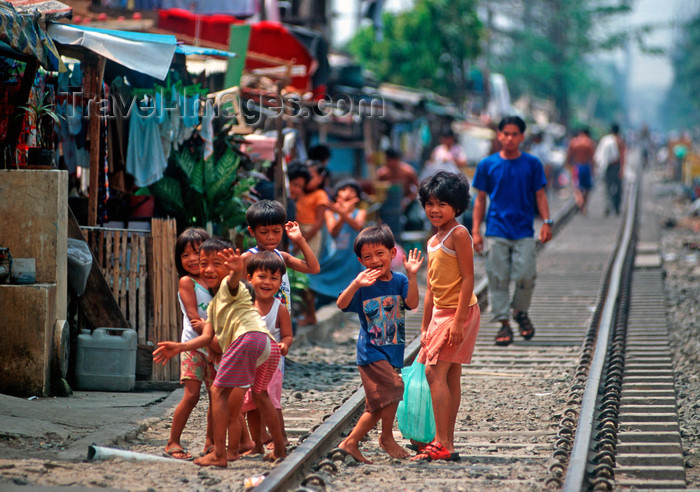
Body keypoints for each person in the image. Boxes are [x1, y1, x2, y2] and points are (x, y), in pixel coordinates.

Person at [153, 238, 286, 467]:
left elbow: (234, 282)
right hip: (267, 344)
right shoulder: (215, 304)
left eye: (217, 263)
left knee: (218, 394)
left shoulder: (230, 286)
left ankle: (220, 454)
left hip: (246, 341)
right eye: (204, 264)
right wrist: (180, 347)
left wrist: (235, 271)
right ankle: (280, 450)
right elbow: (206, 338)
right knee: (260, 396)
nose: (208, 269)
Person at [336, 225, 424, 464]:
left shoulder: (399, 281)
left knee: (376, 406)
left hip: (392, 352)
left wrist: (413, 275)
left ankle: (350, 443)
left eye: (380, 254)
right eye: (367, 257)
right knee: (395, 388)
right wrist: (356, 284)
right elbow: (341, 304)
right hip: (371, 352)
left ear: (392, 253)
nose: (374, 260)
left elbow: (412, 302)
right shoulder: (363, 285)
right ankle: (386, 437)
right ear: (360, 260)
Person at [410, 170, 480, 462]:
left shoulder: (459, 234)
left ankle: (441, 441)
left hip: (459, 313)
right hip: (440, 314)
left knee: (433, 372)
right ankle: (446, 442)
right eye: (430, 204)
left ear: (458, 207)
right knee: (449, 376)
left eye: (442, 204)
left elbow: (468, 279)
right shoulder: (434, 238)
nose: (435, 210)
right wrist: (424, 327)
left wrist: (457, 321)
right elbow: (430, 288)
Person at [471, 115, 553, 346]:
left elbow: (540, 194)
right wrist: (476, 230)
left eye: (514, 134)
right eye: (505, 133)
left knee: (527, 274)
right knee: (497, 278)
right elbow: (480, 200)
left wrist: (547, 222)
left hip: (524, 230)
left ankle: (520, 311)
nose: (509, 138)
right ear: (499, 135)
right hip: (496, 228)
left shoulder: (532, 164)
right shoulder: (487, 165)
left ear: (522, 137)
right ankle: (504, 323)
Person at [164, 227, 213, 460]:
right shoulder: (187, 282)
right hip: (194, 347)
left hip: (217, 349)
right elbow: (194, 319)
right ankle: (172, 441)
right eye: (185, 255)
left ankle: (210, 443)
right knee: (191, 395)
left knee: (216, 396)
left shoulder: (217, 280)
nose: (192, 259)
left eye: (197, 252)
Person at [240, 252, 293, 454]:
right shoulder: (244, 305)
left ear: (280, 282)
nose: (267, 282)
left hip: (271, 366)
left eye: (274, 278)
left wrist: (284, 345)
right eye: (262, 276)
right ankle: (257, 444)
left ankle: (278, 440)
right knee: (251, 408)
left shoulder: (279, 309)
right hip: (248, 366)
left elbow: (288, 335)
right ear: (249, 278)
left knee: (269, 403)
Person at [240, 199, 321, 316]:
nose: (271, 237)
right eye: (264, 232)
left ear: (283, 229)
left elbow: (314, 268)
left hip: (282, 323)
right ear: (252, 231)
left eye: (276, 231)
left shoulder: (282, 257)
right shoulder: (248, 258)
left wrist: (300, 240)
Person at [308, 179, 367, 307]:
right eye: (344, 189)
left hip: (350, 258)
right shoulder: (330, 213)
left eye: (352, 191)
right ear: (337, 194)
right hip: (333, 255)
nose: (348, 193)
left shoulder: (360, 212)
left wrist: (342, 212)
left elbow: (357, 225)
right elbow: (333, 231)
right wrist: (343, 213)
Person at [287, 162, 328, 326]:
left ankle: (310, 314)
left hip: (309, 235)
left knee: (306, 275)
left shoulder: (320, 195)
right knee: (300, 275)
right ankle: (306, 312)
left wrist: (299, 242)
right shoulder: (300, 195)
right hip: (299, 232)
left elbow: (318, 223)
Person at [594, 123, 626, 216]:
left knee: (608, 187)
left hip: (608, 167)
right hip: (616, 167)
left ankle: (608, 205)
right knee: (618, 188)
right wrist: (622, 169)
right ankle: (616, 207)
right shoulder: (619, 141)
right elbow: (622, 156)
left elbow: (599, 155)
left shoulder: (606, 140)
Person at [376, 148, 420, 213]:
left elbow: (418, 188)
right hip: (388, 202)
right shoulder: (382, 173)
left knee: (414, 221)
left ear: (396, 160)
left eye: (389, 161)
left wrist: (407, 200)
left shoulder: (408, 171)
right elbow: (376, 189)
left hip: (407, 201)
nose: (387, 163)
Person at [566, 127, 596, 214]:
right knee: (587, 188)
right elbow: (592, 158)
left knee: (576, 187)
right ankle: (583, 206)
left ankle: (580, 200)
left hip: (577, 166)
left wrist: (567, 164)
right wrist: (593, 170)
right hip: (586, 166)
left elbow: (569, 156)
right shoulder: (589, 143)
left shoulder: (574, 142)